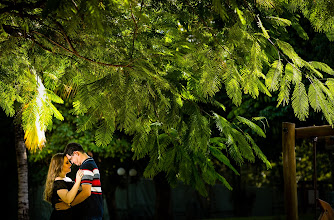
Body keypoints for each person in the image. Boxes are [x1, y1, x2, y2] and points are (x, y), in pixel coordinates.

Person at [56, 142, 103, 220]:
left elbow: (86, 192)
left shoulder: (86, 166)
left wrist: (68, 205)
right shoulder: (91, 163)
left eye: (71, 159)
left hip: (89, 212)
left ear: (76, 153)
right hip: (94, 211)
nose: (72, 163)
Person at [44, 153, 84, 220]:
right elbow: (68, 199)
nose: (70, 164)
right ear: (59, 166)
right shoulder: (58, 182)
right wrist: (78, 181)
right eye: (67, 163)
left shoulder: (67, 180)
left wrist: (69, 206)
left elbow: (84, 191)